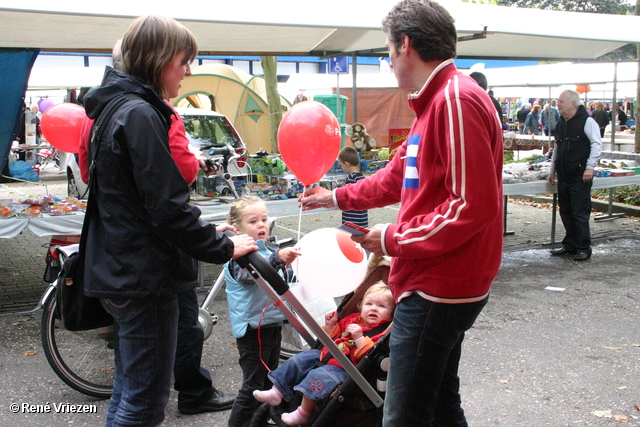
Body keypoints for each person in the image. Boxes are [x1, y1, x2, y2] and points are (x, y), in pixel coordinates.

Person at [299, 0, 504, 425]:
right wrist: (334, 198)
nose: (387, 60)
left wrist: (393, 239)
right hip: (438, 281)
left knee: (404, 413)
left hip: (439, 284)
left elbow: (472, 205)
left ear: (405, 44)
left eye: (387, 50)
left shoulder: (453, 101)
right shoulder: (437, 101)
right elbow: (396, 178)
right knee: (442, 403)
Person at [81, 15, 259, 426]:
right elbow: (165, 205)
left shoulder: (115, 108)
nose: (188, 71)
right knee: (143, 403)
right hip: (143, 277)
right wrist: (222, 246)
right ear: (160, 60)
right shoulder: (141, 113)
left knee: (129, 391)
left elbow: (138, 205)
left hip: (122, 269)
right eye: (184, 61)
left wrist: (203, 233)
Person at [253, 282, 395, 426]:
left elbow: (368, 354)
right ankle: (277, 390)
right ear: (360, 306)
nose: (374, 309)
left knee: (319, 376)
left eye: (381, 306)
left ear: (391, 314)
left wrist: (358, 338)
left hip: (345, 368)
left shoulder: (381, 333)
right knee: (299, 359)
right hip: (326, 355)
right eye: (369, 304)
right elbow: (333, 336)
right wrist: (331, 325)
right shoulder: (353, 318)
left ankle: (303, 412)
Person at [224, 196, 301, 427]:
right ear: (236, 229)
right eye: (253, 221)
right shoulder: (239, 254)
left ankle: (257, 421)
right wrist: (276, 258)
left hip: (271, 322)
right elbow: (250, 273)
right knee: (253, 385)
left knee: (270, 380)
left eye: (264, 219)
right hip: (253, 328)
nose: (261, 225)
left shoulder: (267, 248)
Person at [548, 90, 602, 262]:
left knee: (579, 213)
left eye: (561, 101)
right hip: (564, 175)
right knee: (565, 211)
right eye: (558, 101)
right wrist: (552, 170)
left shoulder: (587, 121)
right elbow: (556, 148)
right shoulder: (561, 124)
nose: (558, 104)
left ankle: (584, 247)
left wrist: (590, 167)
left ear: (573, 103)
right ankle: (570, 244)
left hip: (580, 176)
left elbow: (596, 144)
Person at [338, 146, 368, 228]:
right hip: (362, 218)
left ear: (346, 163)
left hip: (352, 218)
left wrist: (339, 190)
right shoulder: (361, 177)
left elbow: (347, 196)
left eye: (341, 165)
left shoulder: (351, 178)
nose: (342, 168)